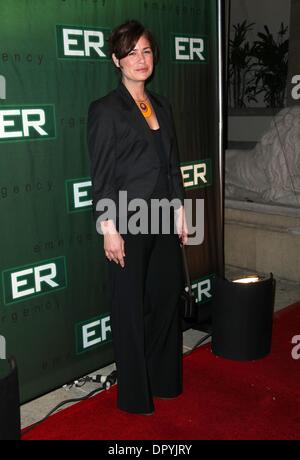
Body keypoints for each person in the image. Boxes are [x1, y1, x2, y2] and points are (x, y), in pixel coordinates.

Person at [87, 20, 188, 415]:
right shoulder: (105, 110)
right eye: (131, 53)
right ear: (116, 59)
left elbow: (172, 165)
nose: (140, 59)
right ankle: (134, 395)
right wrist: (108, 230)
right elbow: (103, 176)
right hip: (127, 221)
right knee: (129, 308)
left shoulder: (161, 104)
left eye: (145, 51)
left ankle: (164, 380)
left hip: (163, 216)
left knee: (165, 300)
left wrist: (180, 212)